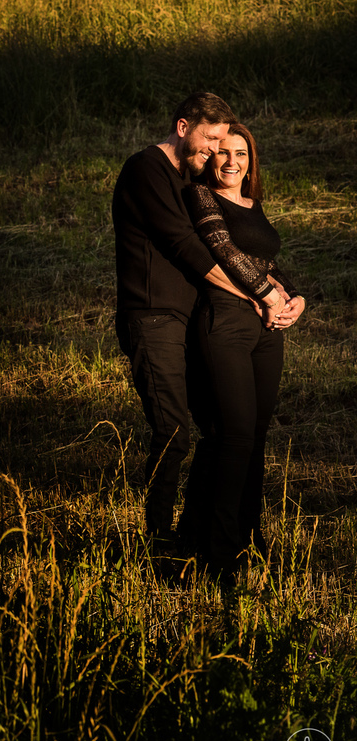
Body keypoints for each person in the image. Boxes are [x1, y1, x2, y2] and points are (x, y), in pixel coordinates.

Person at [112, 93, 251, 549]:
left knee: (216, 427)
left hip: (191, 321)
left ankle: (195, 533)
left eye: (221, 142)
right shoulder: (145, 169)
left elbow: (224, 240)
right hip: (153, 318)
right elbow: (184, 245)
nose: (214, 150)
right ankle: (156, 542)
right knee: (172, 431)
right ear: (182, 126)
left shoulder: (191, 181)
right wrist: (249, 292)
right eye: (209, 139)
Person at [178, 123, 305, 576]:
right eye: (224, 152)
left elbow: (266, 260)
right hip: (225, 320)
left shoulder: (252, 204)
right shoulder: (200, 196)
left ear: (251, 162)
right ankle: (219, 555)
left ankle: (250, 538)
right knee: (233, 435)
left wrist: (295, 296)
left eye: (242, 154)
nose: (232, 162)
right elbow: (223, 249)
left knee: (256, 435)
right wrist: (267, 295)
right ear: (210, 158)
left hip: (266, 329)